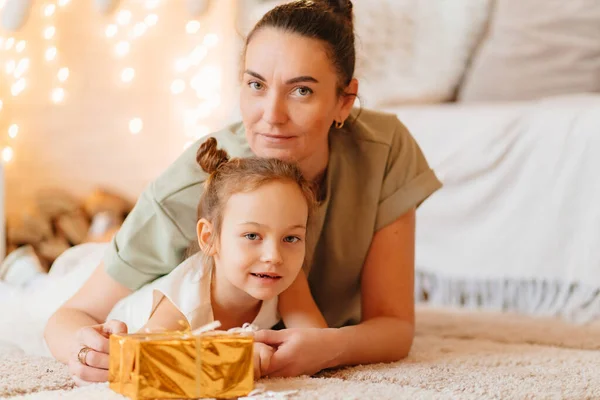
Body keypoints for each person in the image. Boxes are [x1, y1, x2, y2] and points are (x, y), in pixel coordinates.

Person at [43, 0, 442, 382]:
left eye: (301, 90)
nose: (271, 115)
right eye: (256, 85)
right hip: (147, 304)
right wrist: (87, 354)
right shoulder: (188, 189)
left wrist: (329, 347)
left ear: (345, 101)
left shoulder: (384, 149)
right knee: (39, 290)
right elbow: (71, 315)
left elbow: (393, 326)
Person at [101, 137, 326, 379]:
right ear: (209, 238)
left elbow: (317, 345)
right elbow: (139, 360)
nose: (274, 256)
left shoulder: (283, 277)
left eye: (291, 238)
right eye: (252, 235)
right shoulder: (183, 301)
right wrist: (234, 356)